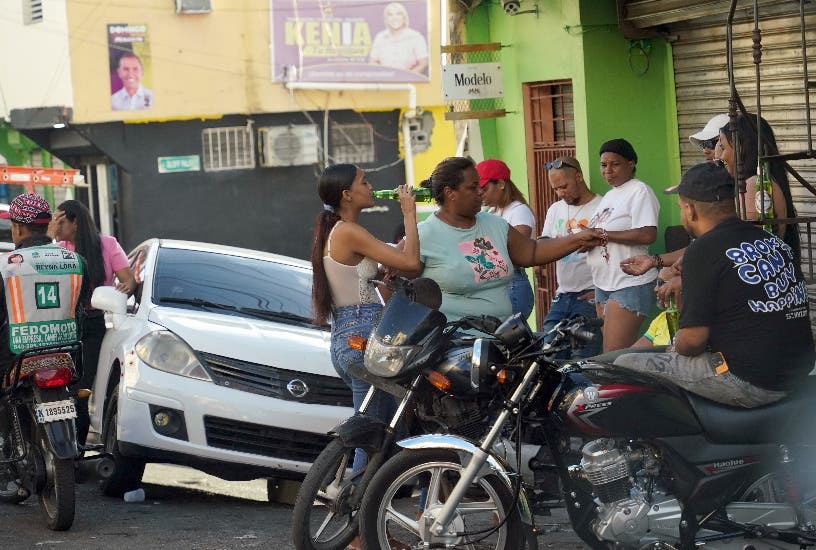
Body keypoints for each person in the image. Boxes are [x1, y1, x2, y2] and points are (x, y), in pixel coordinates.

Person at [613, 162, 814, 408]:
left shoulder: (703, 249)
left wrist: (674, 348)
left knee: (624, 365)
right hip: (797, 372)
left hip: (751, 381)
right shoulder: (770, 240)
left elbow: (692, 341)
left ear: (690, 209)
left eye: (680, 206)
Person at [310, 163, 421, 471]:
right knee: (368, 432)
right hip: (363, 338)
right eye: (364, 182)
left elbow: (394, 260)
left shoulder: (340, 231)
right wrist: (410, 213)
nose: (371, 186)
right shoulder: (348, 231)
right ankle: (354, 505)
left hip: (351, 336)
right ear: (347, 194)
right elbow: (411, 262)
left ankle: (369, 502)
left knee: (383, 430)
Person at [409, 157, 601, 323]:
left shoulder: (494, 224)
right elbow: (395, 273)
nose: (480, 192)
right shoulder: (426, 233)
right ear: (450, 193)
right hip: (454, 344)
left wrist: (578, 239)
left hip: (500, 338)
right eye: (473, 187)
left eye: (481, 186)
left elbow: (532, 252)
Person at [49, 200, 136, 447]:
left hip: (93, 326)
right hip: (61, 327)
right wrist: (51, 235)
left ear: (75, 222)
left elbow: (128, 280)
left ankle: (74, 452)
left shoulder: (107, 245)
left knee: (80, 392)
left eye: (61, 221)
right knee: (56, 390)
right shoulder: (57, 248)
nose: (56, 226)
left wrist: (123, 288)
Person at [0, 194, 87, 375]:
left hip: (13, 358)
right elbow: (81, 303)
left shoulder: (5, 265)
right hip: (65, 352)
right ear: (48, 225)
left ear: (17, 228)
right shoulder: (77, 261)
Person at [588, 139, 659, 352]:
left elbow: (648, 234)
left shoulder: (640, 191)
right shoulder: (609, 195)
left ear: (631, 163)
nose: (608, 170)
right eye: (603, 165)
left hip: (628, 284)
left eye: (615, 164)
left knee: (613, 356)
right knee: (613, 355)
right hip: (603, 284)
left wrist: (604, 235)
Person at [539, 156, 603, 357]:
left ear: (579, 176)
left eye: (564, 186)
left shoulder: (601, 207)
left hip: (589, 296)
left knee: (581, 362)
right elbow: (543, 245)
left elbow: (613, 253)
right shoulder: (555, 209)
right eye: (556, 189)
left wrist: (600, 292)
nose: (560, 193)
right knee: (549, 356)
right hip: (562, 295)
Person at [718, 113, 800, 262]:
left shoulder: (753, 186)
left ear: (741, 147)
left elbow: (750, 248)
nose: (721, 157)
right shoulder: (763, 181)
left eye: (723, 148)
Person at [476, 159, 536, 319]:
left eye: (484, 188)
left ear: (501, 184)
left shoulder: (519, 211)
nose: (479, 193)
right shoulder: (489, 213)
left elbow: (516, 252)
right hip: (495, 285)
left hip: (512, 285)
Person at [368, 2, 429, 75]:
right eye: (390, 14)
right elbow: (372, 61)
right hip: (385, 82)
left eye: (398, 14)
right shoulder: (380, 37)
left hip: (409, 84)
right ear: (386, 19)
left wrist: (408, 77)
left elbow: (423, 63)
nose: (394, 18)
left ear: (404, 17)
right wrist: (384, 75)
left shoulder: (416, 37)